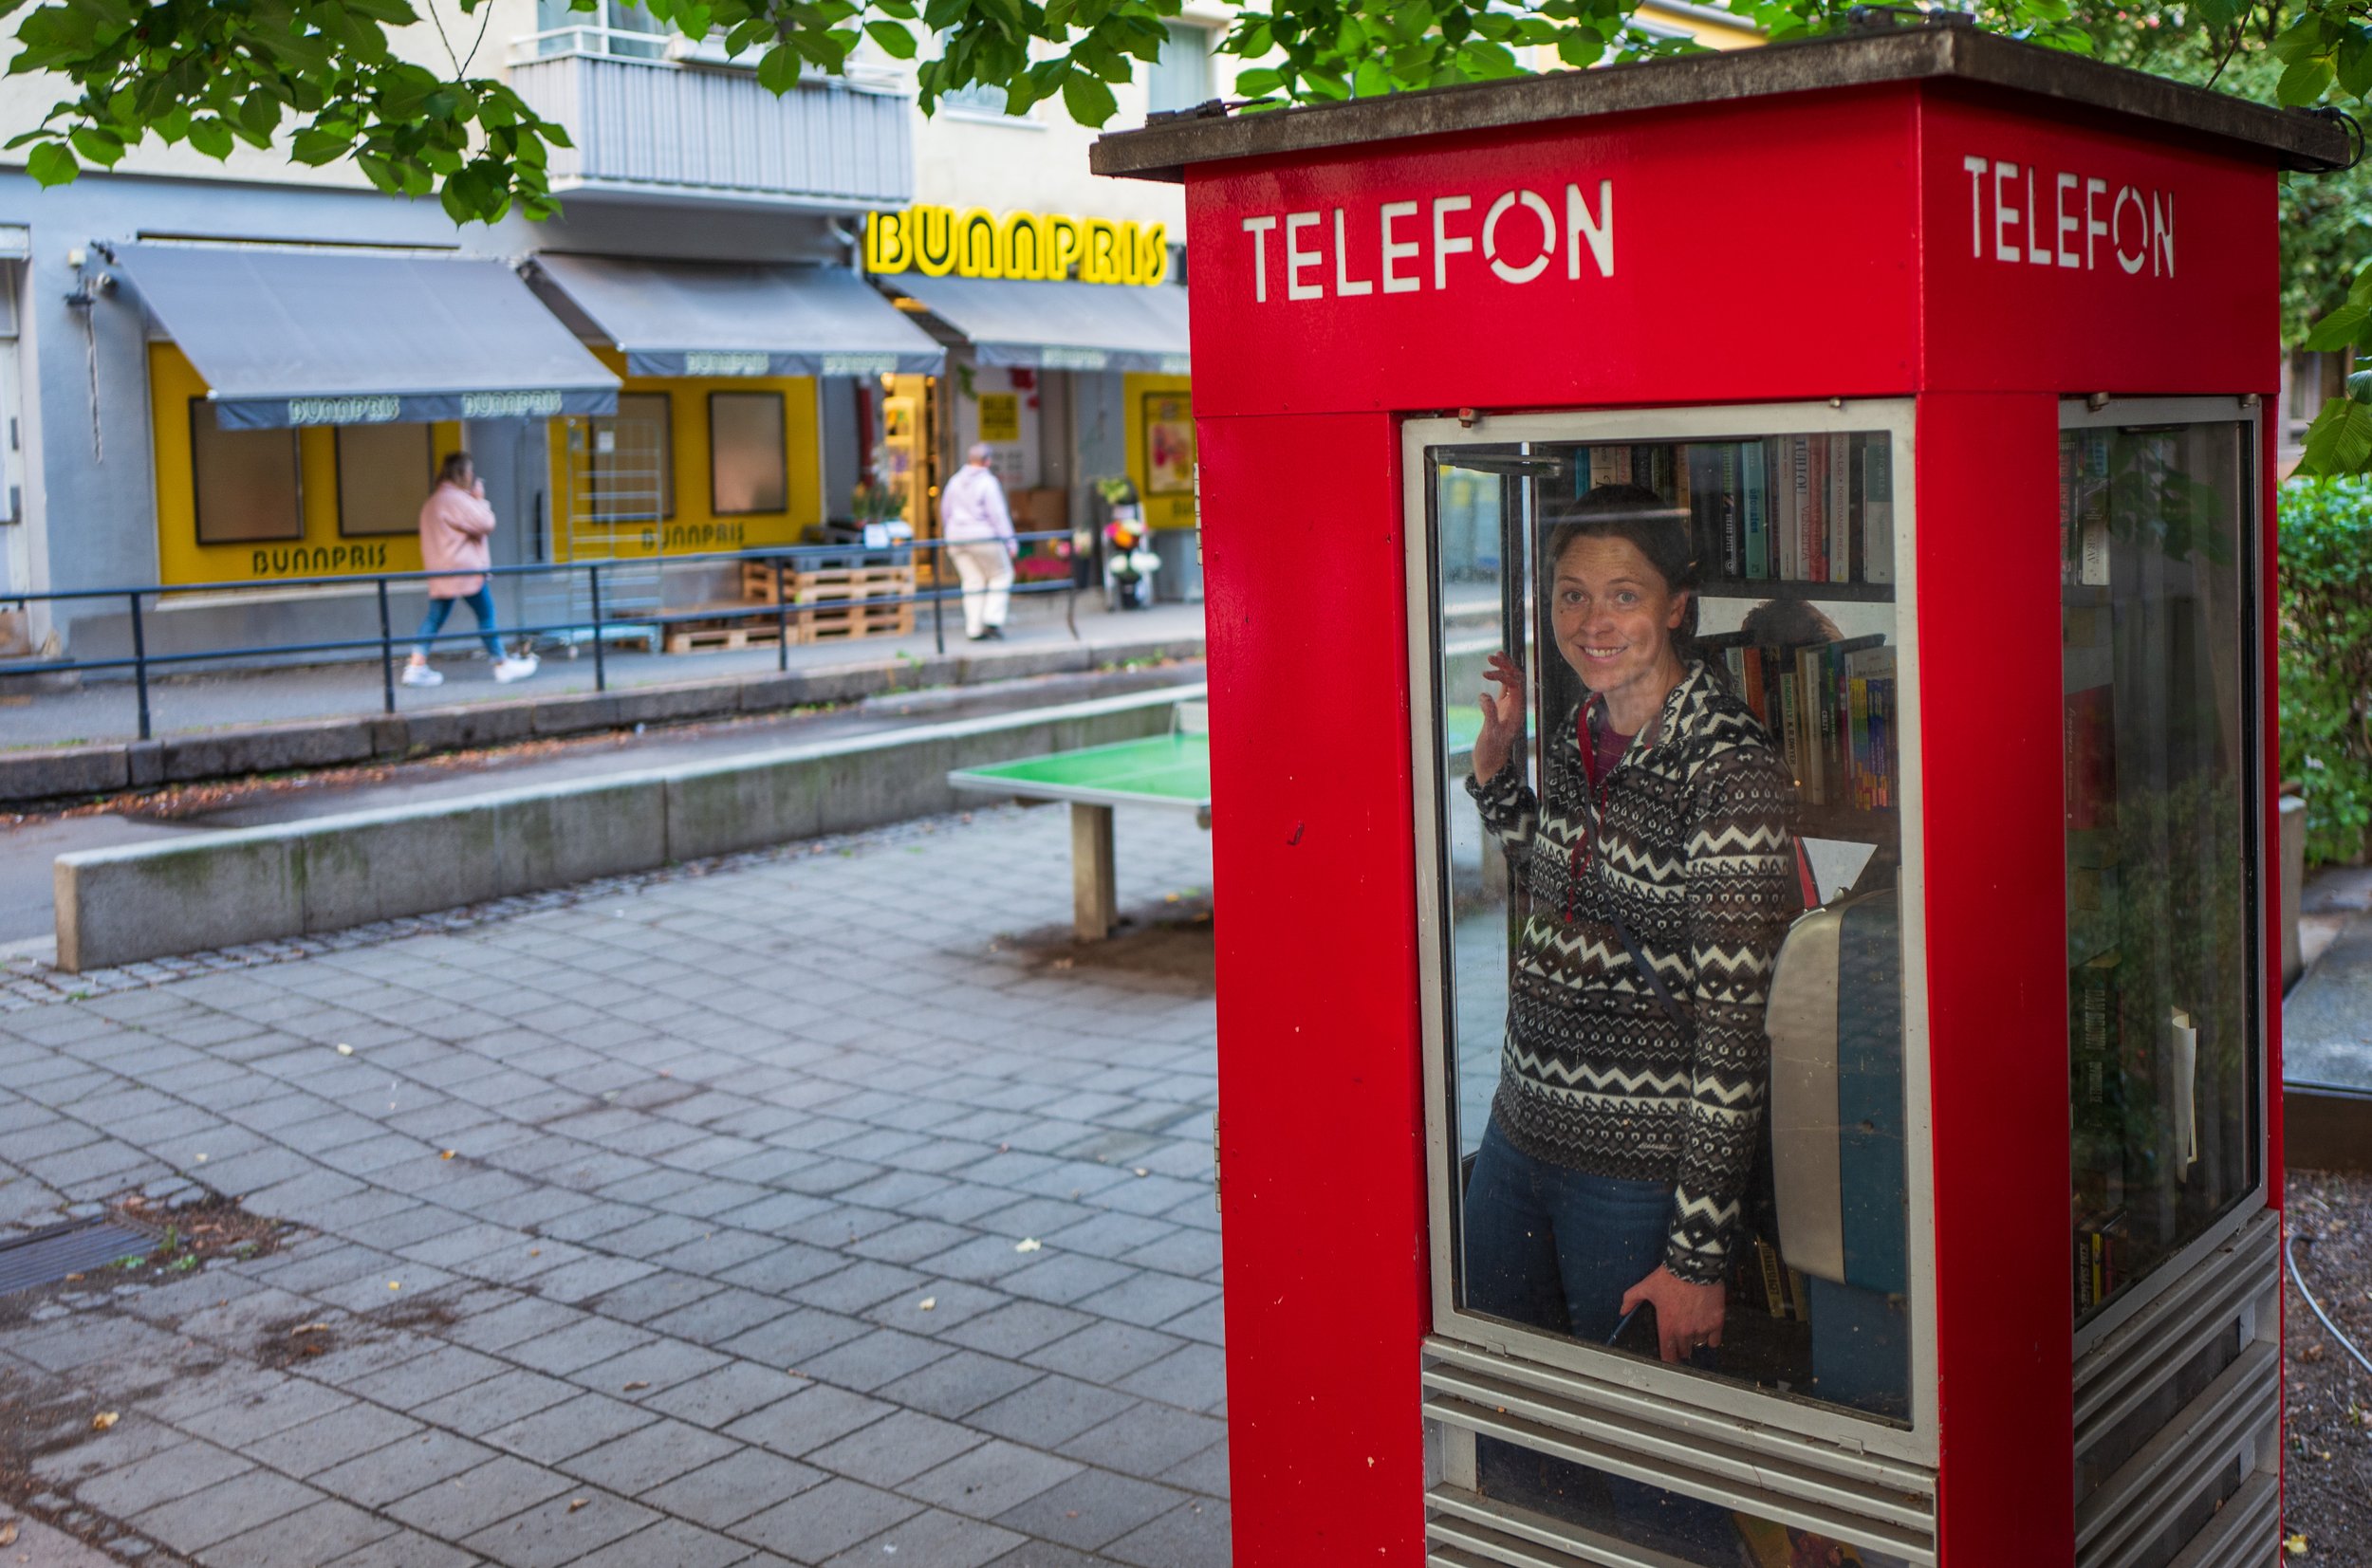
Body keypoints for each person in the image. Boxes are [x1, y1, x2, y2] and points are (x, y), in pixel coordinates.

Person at [1462, 484, 1796, 1369]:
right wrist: (1500, 781)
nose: (1593, 621)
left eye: (1624, 594)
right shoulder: (1580, 727)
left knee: (1642, 1473)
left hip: (1632, 1172)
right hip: (1517, 1130)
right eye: (1573, 593)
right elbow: (1567, 894)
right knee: (1509, 1417)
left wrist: (1696, 1256)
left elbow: (1736, 1030)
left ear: (1675, 605)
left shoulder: (1729, 767)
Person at [403, 453, 537, 688]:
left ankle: (416, 665)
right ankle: (501, 664)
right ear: (462, 474)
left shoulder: (434, 500)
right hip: (464, 569)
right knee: (486, 614)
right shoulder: (455, 499)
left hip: (441, 570)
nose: (473, 477)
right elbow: (486, 523)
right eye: (470, 472)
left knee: (435, 617)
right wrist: (479, 499)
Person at [939, 443, 1016, 642]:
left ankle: (974, 628)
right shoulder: (988, 482)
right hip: (983, 536)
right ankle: (992, 619)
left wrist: (948, 533)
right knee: (1002, 574)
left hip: (956, 537)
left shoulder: (954, 481)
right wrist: (1010, 542)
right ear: (988, 461)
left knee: (973, 581)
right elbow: (998, 515)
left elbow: (945, 511)